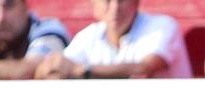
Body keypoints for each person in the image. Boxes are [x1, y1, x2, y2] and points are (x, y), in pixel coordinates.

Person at [35, 0, 191, 79]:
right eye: (107, 0)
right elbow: (48, 71)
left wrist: (83, 71)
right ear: (94, 4)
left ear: (136, 2)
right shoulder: (88, 36)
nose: (115, 8)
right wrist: (54, 69)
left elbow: (144, 67)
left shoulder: (162, 26)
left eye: (122, 0)